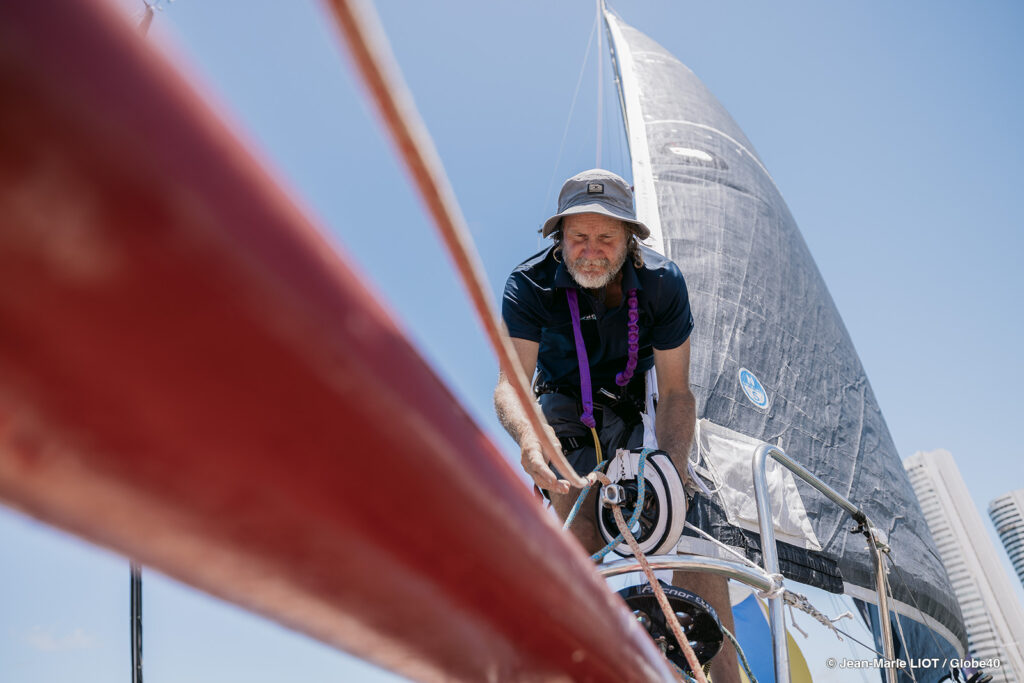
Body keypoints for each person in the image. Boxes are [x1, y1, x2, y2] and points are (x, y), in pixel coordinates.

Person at [493, 169, 739, 682]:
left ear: (630, 239)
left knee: (690, 539)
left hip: (641, 404)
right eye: (578, 237)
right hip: (563, 407)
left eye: (606, 237)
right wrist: (529, 441)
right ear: (558, 237)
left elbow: (677, 393)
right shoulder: (529, 284)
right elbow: (511, 385)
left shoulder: (663, 283)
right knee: (581, 521)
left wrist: (673, 471)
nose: (591, 251)